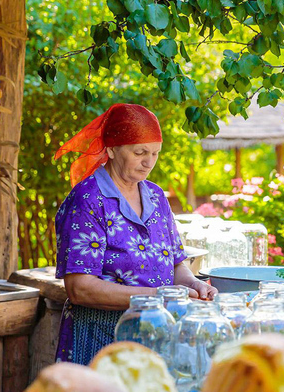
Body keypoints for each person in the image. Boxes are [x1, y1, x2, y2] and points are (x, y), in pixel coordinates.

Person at [52, 103, 217, 364]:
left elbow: (175, 263)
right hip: (101, 342)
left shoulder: (155, 195)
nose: (148, 162)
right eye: (140, 152)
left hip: (155, 338)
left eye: (155, 153)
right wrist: (159, 296)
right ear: (112, 149)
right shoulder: (88, 199)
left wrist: (193, 284)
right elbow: (79, 288)